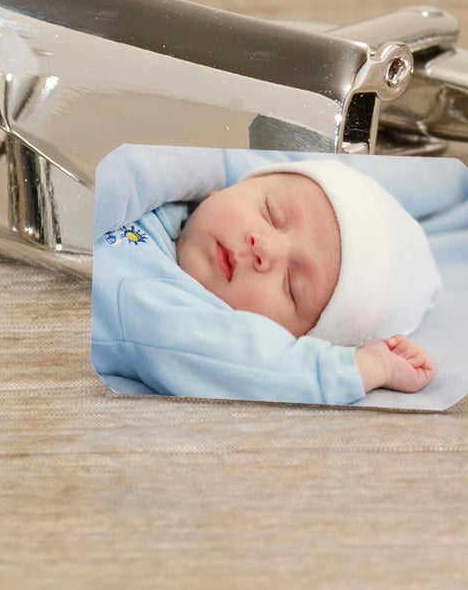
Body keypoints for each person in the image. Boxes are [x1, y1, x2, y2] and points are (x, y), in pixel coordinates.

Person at [91, 156, 442, 405]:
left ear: (287, 337)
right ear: (229, 188)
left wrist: (366, 367)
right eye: (272, 214)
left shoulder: (159, 307)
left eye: (292, 285)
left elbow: (248, 362)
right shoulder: (176, 184)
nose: (265, 249)